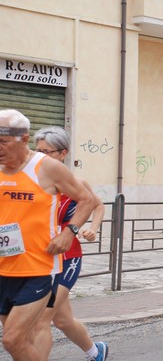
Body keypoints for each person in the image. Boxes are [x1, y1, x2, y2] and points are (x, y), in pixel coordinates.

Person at [0, 109, 95, 360]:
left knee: (13, 338)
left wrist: (69, 233)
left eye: (3, 141)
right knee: (21, 340)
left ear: (23, 139)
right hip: (3, 268)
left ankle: (94, 350)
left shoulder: (47, 168)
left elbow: (88, 200)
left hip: (38, 268)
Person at [31, 127, 108, 360]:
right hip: (40, 258)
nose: (41, 156)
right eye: (37, 151)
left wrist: (92, 229)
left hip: (68, 259)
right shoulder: (32, 181)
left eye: (47, 152)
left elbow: (97, 205)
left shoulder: (76, 182)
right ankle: (97, 352)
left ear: (62, 153)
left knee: (42, 319)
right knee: (62, 320)